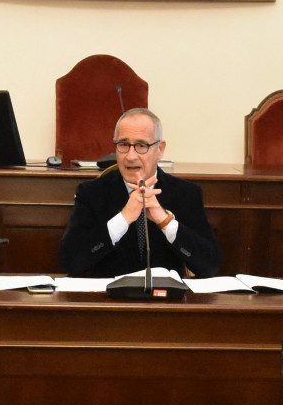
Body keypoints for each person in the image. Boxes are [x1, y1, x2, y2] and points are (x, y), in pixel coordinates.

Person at [59, 108, 222, 278]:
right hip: (109, 301)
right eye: (123, 144)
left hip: (166, 301)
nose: (130, 156)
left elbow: (210, 266)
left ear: (160, 149)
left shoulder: (185, 194)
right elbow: (71, 262)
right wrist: (123, 218)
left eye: (141, 146)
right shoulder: (92, 193)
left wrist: (165, 221)